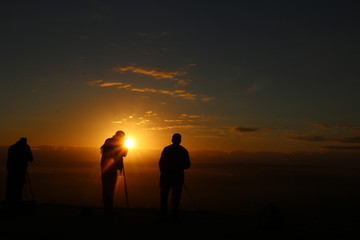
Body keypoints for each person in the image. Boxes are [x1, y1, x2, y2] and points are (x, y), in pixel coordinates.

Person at [158, 133, 191, 223]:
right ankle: (174, 218)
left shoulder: (167, 149)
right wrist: (178, 168)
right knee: (176, 198)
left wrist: (164, 172)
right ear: (180, 140)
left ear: (172, 140)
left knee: (164, 197)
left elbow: (160, 163)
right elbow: (187, 165)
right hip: (178, 178)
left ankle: (164, 217)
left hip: (166, 177)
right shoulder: (183, 151)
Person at [100, 130, 128, 214]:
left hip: (110, 168)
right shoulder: (109, 141)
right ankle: (107, 209)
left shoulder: (111, 142)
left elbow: (124, 154)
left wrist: (123, 145)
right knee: (107, 188)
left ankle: (109, 208)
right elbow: (119, 153)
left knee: (110, 189)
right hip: (108, 169)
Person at [5, 137, 34, 202]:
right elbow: (31, 158)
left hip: (11, 170)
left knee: (10, 186)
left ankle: (9, 202)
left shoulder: (12, 147)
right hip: (20, 170)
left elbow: (9, 160)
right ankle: (17, 201)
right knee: (19, 186)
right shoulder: (26, 147)